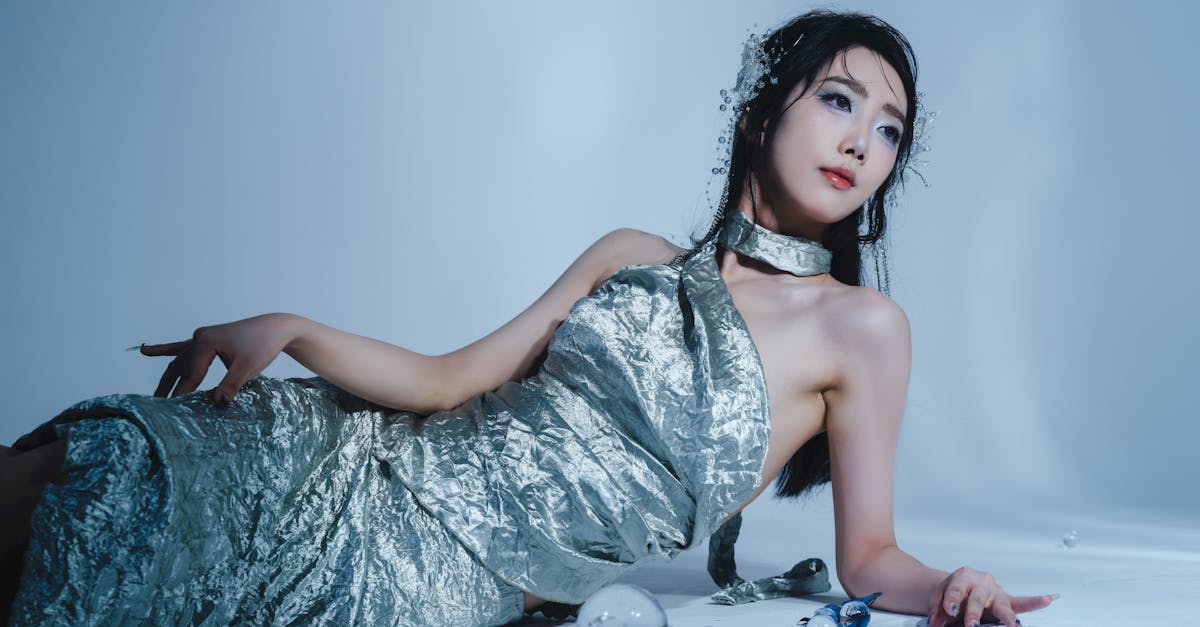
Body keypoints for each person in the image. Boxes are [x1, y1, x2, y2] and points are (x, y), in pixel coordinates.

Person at [0, 9, 1057, 627]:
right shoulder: (631, 256)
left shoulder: (862, 328)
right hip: (360, 450)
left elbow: (868, 557)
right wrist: (293, 327)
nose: (863, 142)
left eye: (890, 130)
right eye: (839, 100)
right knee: (105, 469)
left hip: (439, 572)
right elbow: (447, 381)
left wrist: (951, 587)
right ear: (759, 109)